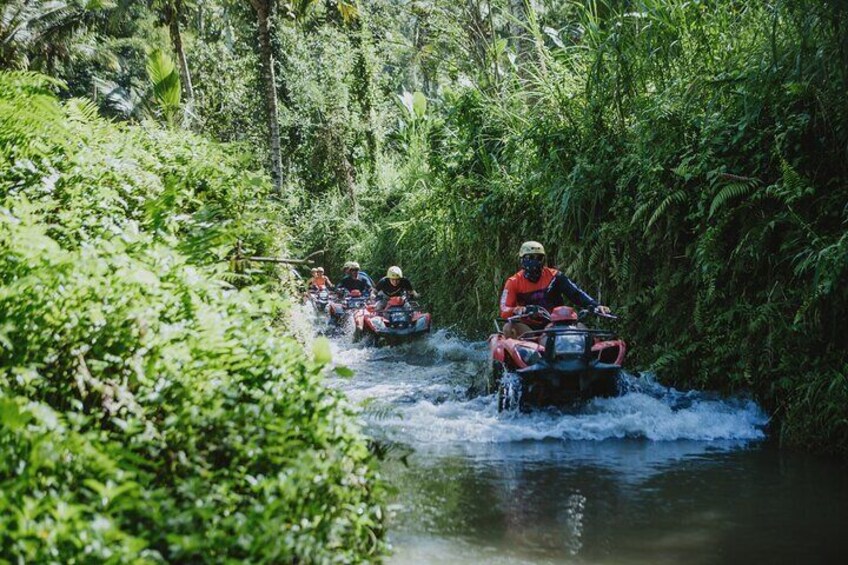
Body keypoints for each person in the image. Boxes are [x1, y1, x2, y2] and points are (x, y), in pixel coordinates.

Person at [500, 241, 610, 338]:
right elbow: (504, 309)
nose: (535, 261)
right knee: (508, 328)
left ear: (543, 260)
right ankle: (523, 357)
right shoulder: (513, 282)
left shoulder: (555, 276)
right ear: (523, 259)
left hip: (554, 323)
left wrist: (596, 306)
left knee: (583, 332)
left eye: (539, 258)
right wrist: (517, 310)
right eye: (530, 258)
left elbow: (576, 293)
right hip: (527, 326)